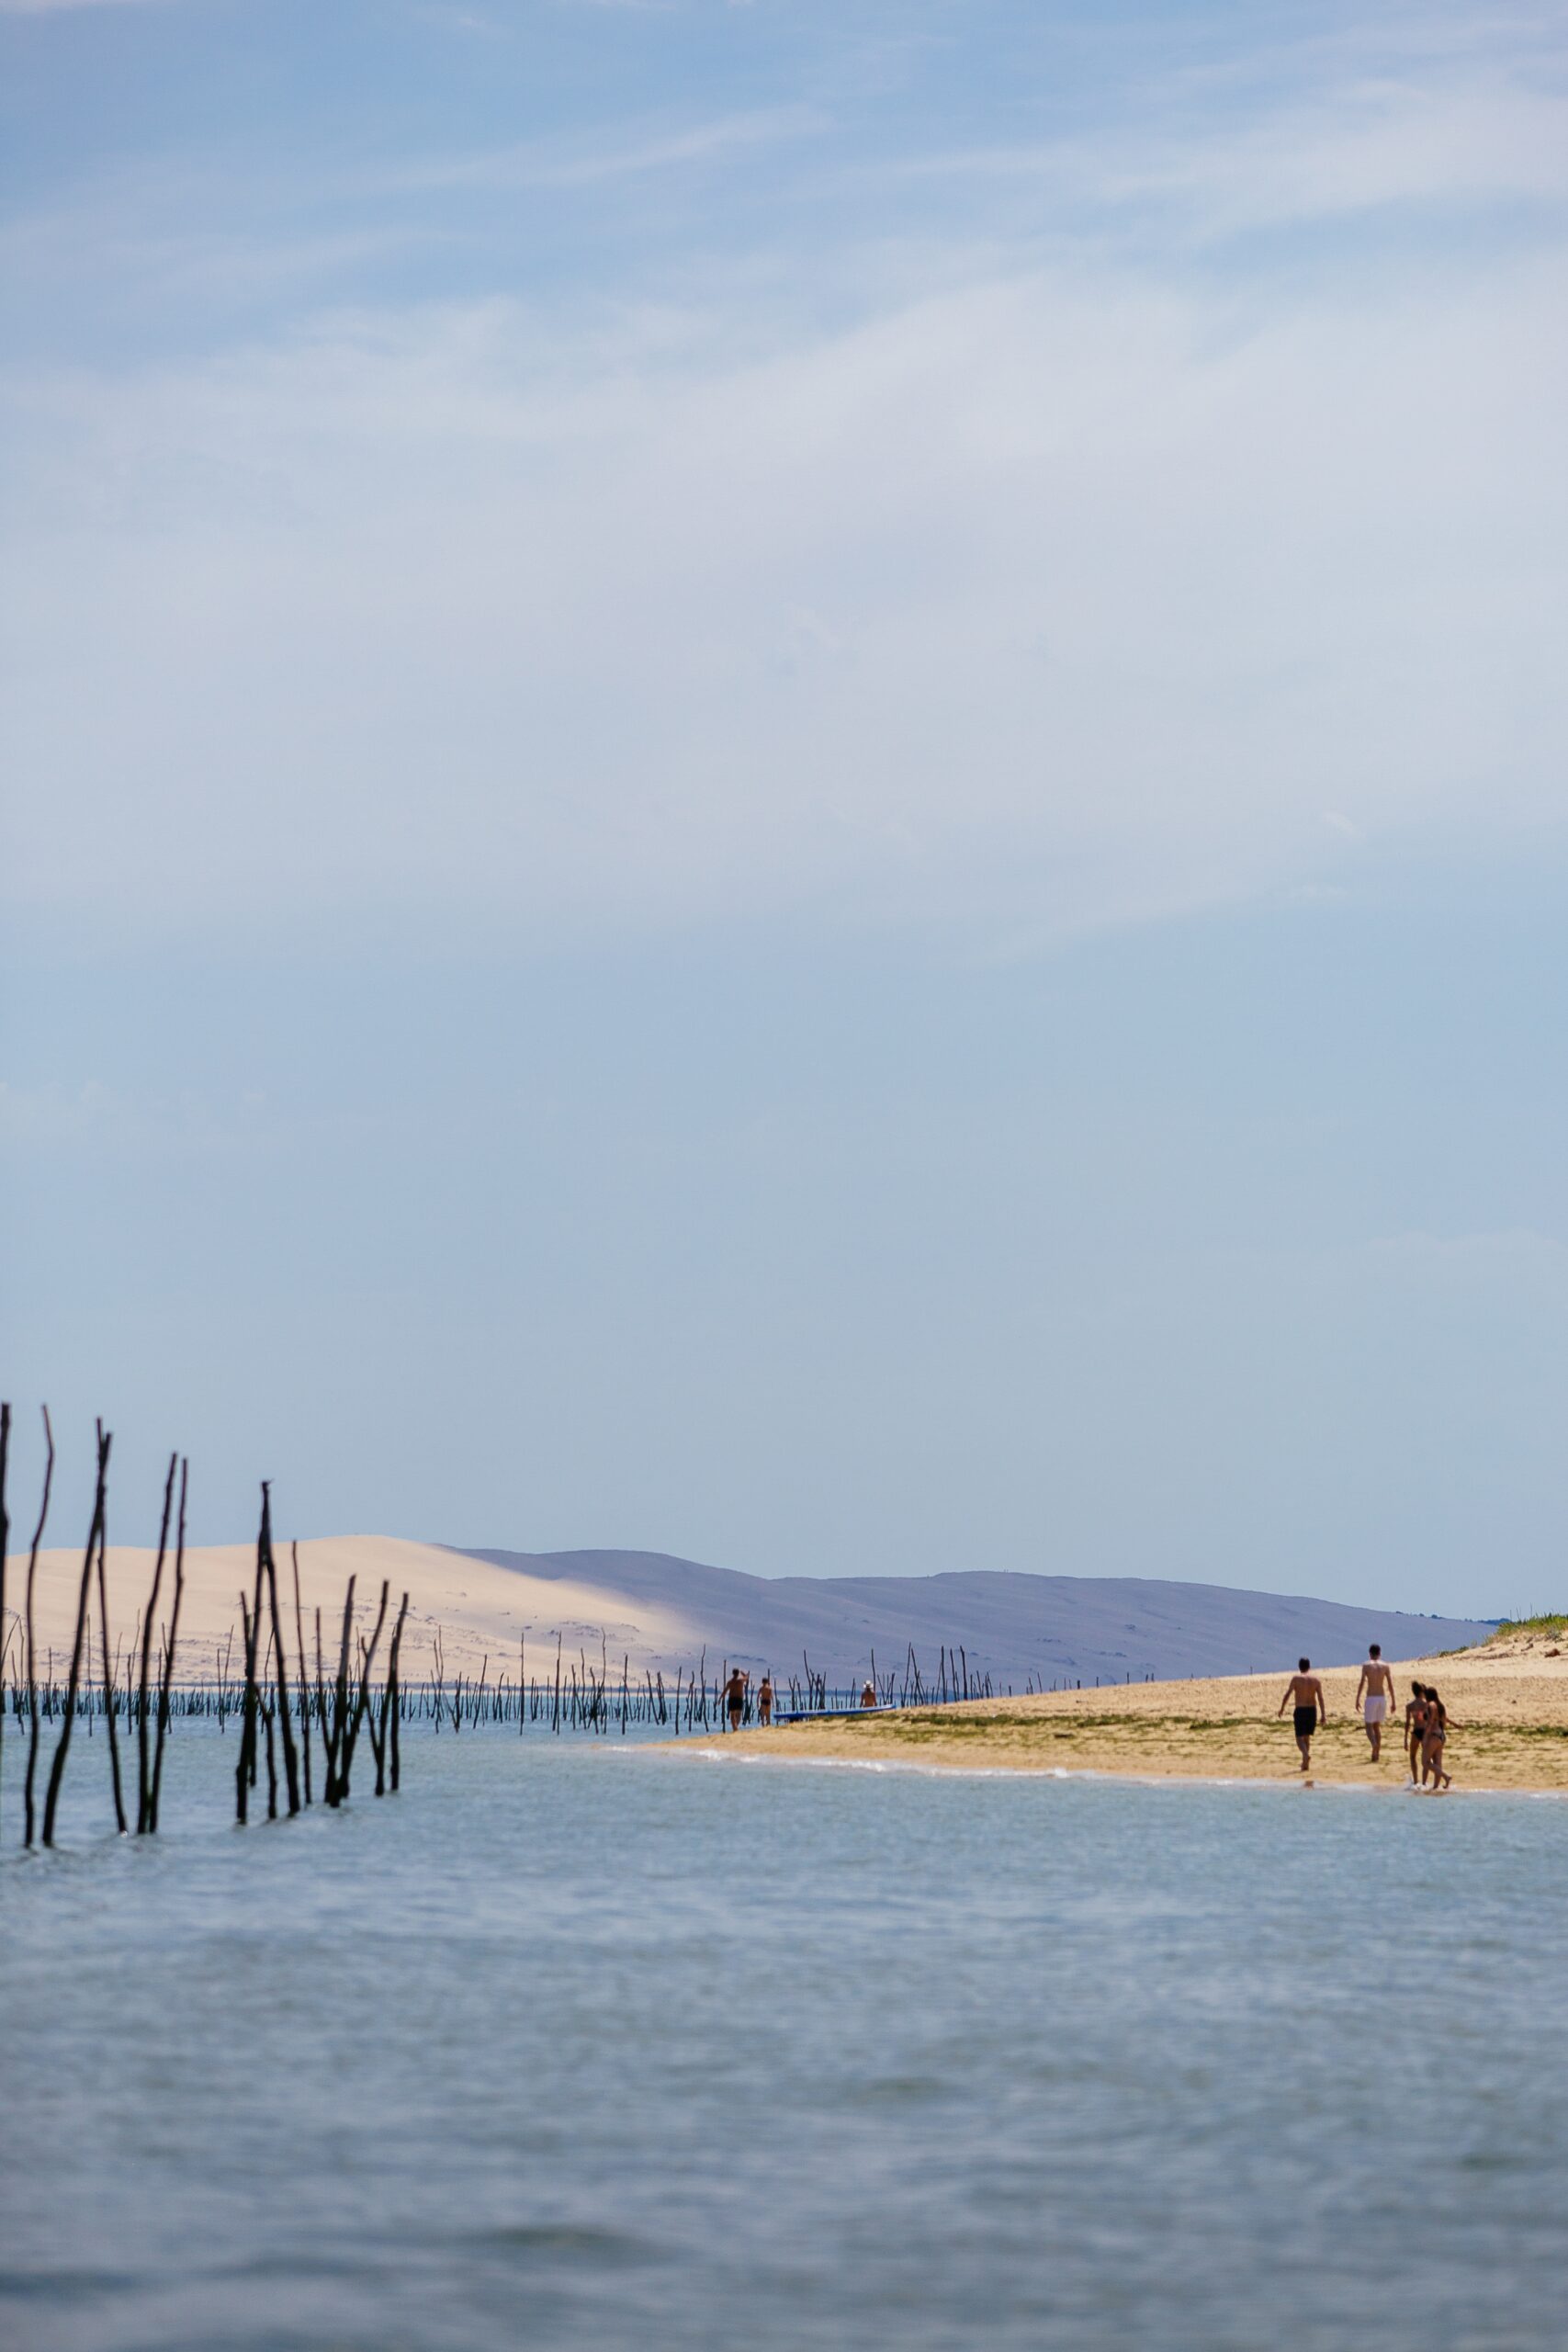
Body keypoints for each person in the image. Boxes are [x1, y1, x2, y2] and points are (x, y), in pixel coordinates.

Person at [1278, 1657, 1327, 1774]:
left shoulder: (1296, 1679)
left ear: (1299, 1667)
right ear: (1309, 1666)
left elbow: (1288, 1694)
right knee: (1307, 1737)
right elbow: (1320, 1698)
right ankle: (1305, 1764)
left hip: (1300, 1709)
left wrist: (1282, 1708)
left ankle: (1306, 1755)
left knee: (1299, 1737)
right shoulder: (1315, 1680)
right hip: (1312, 1710)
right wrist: (1323, 1714)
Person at [1354, 1644, 1395, 1762]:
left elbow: (1362, 1683)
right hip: (1382, 1698)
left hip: (1371, 1697)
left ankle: (1374, 1744)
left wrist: (1357, 1699)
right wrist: (1393, 1701)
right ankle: (1376, 1755)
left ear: (1370, 1653)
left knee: (1368, 1726)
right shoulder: (1385, 1665)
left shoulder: (1366, 1665)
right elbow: (1390, 1685)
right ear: (1380, 1653)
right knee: (1377, 1727)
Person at [1421, 1687, 1454, 1792]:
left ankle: (1446, 1776)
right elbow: (1444, 1721)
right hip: (1441, 1735)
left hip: (1434, 1735)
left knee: (1425, 1762)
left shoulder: (1431, 1705)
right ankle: (1436, 1788)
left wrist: (1425, 1737)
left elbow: (1430, 1722)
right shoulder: (1441, 1706)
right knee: (1437, 1764)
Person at [1404, 1682, 1429, 1782]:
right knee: (1426, 1758)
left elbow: (1407, 1723)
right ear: (1421, 1692)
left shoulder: (1410, 1705)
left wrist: (1405, 1739)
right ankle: (1424, 1782)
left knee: (1412, 1757)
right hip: (1425, 1732)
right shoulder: (1426, 1704)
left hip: (1416, 1731)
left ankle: (1415, 1781)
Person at [722, 1668, 749, 1732]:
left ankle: (735, 1728)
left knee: (732, 1715)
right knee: (739, 1714)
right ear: (738, 1674)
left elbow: (725, 1691)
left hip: (732, 1699)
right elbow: (746, 1678)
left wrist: (720, 1699)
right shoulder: (741, 1681)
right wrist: (743, 1674)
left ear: (733, 1673)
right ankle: (735, 1727)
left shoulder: (730, 1682)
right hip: (739, 1699)